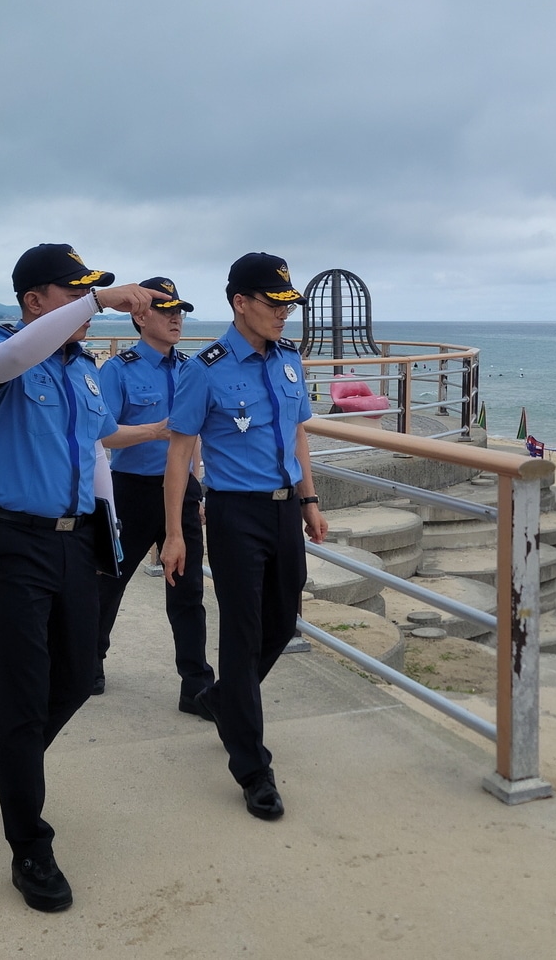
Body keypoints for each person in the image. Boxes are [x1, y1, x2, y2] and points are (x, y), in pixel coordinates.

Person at [0, 243, 165, 912]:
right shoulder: (0, 357)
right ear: (34, 300)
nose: (86, 307)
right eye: (73, 294)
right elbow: (12, 359)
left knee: (79, 676)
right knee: (22, 698)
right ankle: (31, 848)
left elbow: (101, 442)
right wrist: (102, 300)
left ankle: (9, 756)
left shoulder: (82, 370)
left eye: (90, 294)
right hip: (11, 543)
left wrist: (168, 427)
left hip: (74, 543)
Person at [160, 252, 327, 821]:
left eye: (288, 304)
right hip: (233, 514)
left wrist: (309, 500)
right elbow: (180, 452)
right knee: (243, 630)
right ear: (240, 303)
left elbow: (297, 434)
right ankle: (253, 767)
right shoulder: (203, 367)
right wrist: (174, 534)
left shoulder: (288, 361)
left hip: (284, 513)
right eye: (274, 303)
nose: (285, 314)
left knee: (282, 622)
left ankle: (222, 698)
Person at [93, 276, 214, 713]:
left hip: (179, 490)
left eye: (180, 311)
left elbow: (195, 437)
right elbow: (103, 436)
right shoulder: (117, 370)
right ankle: (91, 660)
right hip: (133, 491)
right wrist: (157, 430)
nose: (176, 318)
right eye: (166, 310)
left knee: (188, 591)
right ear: (140, 316)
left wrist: (196, 486)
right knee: (110, 582)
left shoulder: (190, 369)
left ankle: (196, 685)